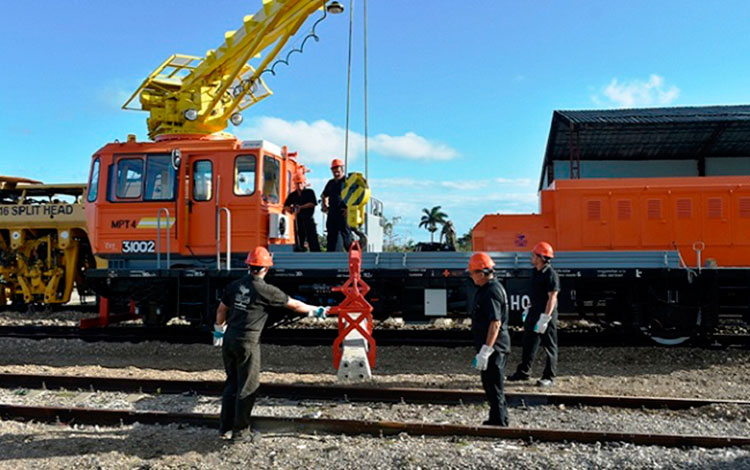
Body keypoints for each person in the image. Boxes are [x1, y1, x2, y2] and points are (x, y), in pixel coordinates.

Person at [214, 246, 328, 441]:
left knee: (232, 383)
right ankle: (240, 432)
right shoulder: (266, 290)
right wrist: (316, 310)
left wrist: (218, 330)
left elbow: (221, 310)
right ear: (266, 268)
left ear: (249, 266)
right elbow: (295, 305)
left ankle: (225, 428)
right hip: (247, 342)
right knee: (248, 386)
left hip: (229, 339)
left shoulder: (235, 286)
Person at [508, 241, 560, 387]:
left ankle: (549, 377)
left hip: (545, 314)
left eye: (534, 255)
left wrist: (546, 317)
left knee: (549, 345)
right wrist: (529, 308)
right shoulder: (536, 272)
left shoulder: (550, 274)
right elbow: (536, 294)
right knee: (529, 342)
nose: (531, 257)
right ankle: (524, 372)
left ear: (541, 257)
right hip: (534, 312)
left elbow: (552, 297)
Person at [468, 252, 510, 427]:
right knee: (489, 383)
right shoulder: (487, 289)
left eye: (472, 273)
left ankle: (500, 421)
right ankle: (496, 418)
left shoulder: (491, 291)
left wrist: (486, 350)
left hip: (495, 347)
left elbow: (495, 322)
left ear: (482, 273)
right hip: (492, 345)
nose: (471, 277)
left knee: (494, 385)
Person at [321, 158, 352, 252]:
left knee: (346, 235)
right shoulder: (330, 183)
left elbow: (356, 196)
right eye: (334, 171)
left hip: (343, 213)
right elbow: (324, 195)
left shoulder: (348, 182)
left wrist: (349, 209)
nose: (336, 173)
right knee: (331, 235)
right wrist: (324, 205)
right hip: (332, 212)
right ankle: (330, 258)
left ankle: (353, 255)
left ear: (342, 169)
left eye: (337, 170)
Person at [284, 172, 320, 252]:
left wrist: (301, 207)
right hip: (298, 220)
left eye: (300, 183)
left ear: (304, 183)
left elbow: (312, 203)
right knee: (299, 237)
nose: (299, 185)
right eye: (297, 183)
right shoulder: (292, 195)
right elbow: (285, 206)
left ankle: (315, 252)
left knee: (312, 237)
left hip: (308, 218)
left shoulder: (309, 192)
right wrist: (291, 209)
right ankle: (299, 250)